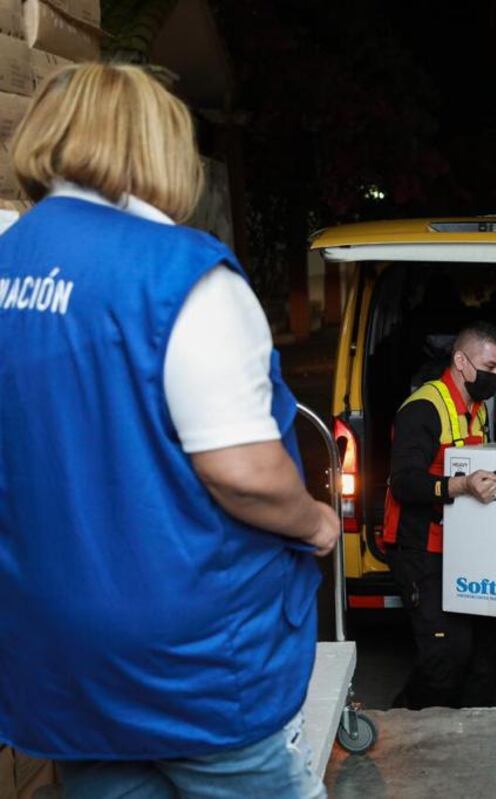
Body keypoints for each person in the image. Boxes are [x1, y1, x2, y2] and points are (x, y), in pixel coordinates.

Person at [0, 65, 337, 797]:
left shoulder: (8, 262)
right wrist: (315, 519)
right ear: (158, 148)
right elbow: (242, 471)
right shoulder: (180, 275)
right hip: (196, 666)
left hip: (58, 659)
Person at [385, 322, 496, 709]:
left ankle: (469, 729)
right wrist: (461, 485)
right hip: (421, 548)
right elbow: (404, 483)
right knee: (445, 655)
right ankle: (408, 714)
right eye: (489, 367)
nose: (495, 378)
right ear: (461, 360)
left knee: (485, 648)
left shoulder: (477, 408)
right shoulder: (423, 409)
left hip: (464, 544)